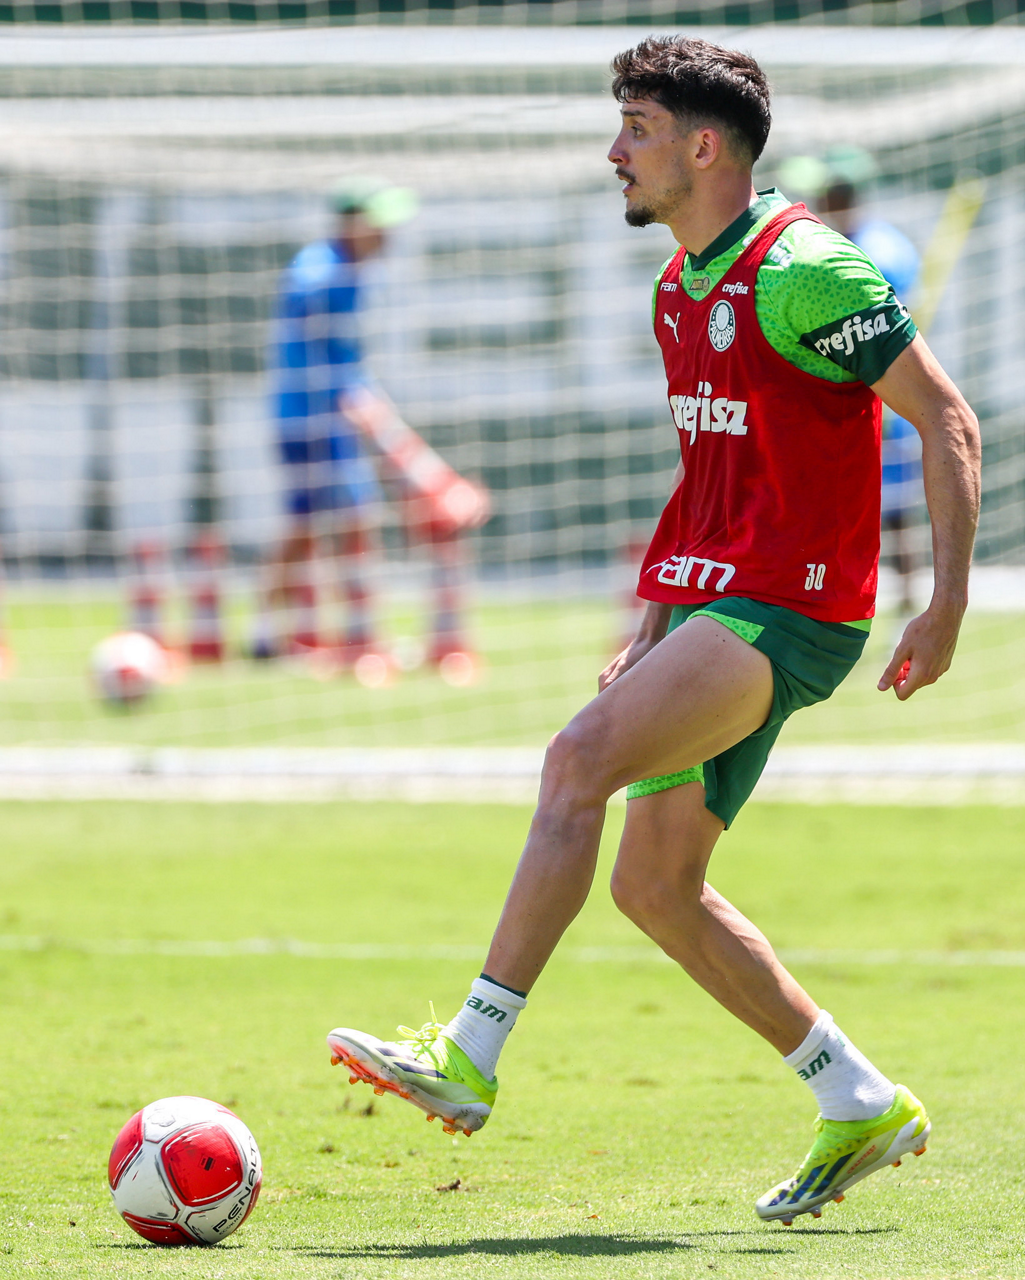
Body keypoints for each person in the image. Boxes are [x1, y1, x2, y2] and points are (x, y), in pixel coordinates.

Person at [327, 36, 980, 1227]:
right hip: (717, 598)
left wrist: (942, 603)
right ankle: (858, 1097)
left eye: (635, 128)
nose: (613, 151)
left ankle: (469, 1051)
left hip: (791, 605)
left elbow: (945, 420)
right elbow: (710, 480)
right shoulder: (679, 284)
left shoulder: (807, 271)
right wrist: (653, 623)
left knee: (575, 759)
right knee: (656, 885)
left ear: (704, 146)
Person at [251, 181, 417, 662]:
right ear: (353, 224)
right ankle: (356, 636)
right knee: (345, 520)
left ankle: (274, 632)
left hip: (321, 417)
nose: (387, 235)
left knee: (317, 523)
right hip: (309, 418)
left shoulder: (352, 272)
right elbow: (307, 310)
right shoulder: (325, 269)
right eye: (379, 224)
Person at [820, 175, 923, 615]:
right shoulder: (827, 246)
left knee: (893, 511)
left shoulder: (879, 250)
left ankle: (905, 604)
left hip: (882, 399)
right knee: (839, 510)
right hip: (836, 400)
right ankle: (836, 600)